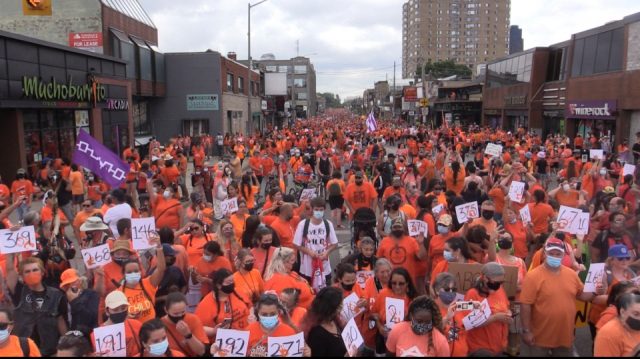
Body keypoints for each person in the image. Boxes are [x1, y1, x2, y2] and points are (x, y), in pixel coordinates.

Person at [520, 238, 605, 357]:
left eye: (558, 254)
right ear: (544, 253)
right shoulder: (532, 276)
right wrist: (526, 331)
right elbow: (525, 305)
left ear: (563, 255)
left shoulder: (571, 274)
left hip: (564, 336)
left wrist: (595, 292)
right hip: (539, 337)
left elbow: (582, 295)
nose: (554, 256)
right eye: (551, 253)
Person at [6, 256, 67, 356]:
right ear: (22, 276)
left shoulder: (56, 295)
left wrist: (66, 347)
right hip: (24, 351)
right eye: (27, 271)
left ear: (42, 272)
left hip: (50, 351)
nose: (31, 273)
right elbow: (9, 269)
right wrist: (10, 246)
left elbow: (61, 322)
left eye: (35, 270)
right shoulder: (18, 292)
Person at [239, 293, 309, 357]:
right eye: (264, 314)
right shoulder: (248, 331)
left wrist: (306, 354)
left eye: (272, 314)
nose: (268, 317)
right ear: (258, 313)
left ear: (278, 312)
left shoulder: (289, 333)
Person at [464, 262, 511, 356]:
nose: (499, 285)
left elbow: (506, 306)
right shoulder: (472, 294)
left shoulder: (500, 290)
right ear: (485, 278)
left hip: (498, 347)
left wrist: (508, 313)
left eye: (501, 282)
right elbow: (468, 323)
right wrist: (495, 318)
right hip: (480, 348)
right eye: (496, 282)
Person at [293, 197, 338, 289]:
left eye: (321, 210)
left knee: (325, 293)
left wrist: (326, 252)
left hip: (324, 268)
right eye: (316, 209)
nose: (318, 212)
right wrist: (309, 251)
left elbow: (334, 244)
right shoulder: (303, 224)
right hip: (307, 269)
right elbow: (296, 244)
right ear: (312, 209)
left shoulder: (327, 224)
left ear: (324, 210)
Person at [119, 234, 165, 324]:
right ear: (123, 274)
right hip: (135, 331)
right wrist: (125, 316)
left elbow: (161, 269)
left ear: (140, 271)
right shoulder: (118, 293)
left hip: (152, 328)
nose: (133, 274)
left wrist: (159, 247)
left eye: (136, 271)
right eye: (129, 272)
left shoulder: (148, 283)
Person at [385, 295, 450, 357]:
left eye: (427, 322)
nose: (423, 325)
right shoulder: (397, 330)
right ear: (411, 316)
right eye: (419, 321)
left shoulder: (440, 341)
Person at [194, 268, 251, 338]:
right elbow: (197, 328)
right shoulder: (206, 304)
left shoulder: (238, 293)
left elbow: (250, 307)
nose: (232, 284)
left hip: (245, 337)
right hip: (223, 343)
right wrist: (213, 331)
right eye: (228, 282)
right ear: (218, 285)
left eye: (232, 281)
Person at [376, 217, 426, 287]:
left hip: (408, 281)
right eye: (395, 227)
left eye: (399, 227)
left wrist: (421, 244)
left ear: (404, 228)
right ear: (391, 228)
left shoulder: (412, 241)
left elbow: (422, 257)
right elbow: (378, 261)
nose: (397, 229)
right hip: (390, 281)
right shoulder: (384, 241)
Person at [370, 267, 417, 340]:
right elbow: (373, 314)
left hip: (404, 338)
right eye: (394, 283)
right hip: (385, 336)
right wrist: (380, 327)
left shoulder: (413, 299)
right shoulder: (383, 293)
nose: (397, 287)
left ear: (407, 283)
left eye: (401, 284)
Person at [303, 287, 348, 357]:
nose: (342, 308)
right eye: (339, 306)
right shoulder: (317, 335)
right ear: (329, 309)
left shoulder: (336, 321)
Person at [431, 273, 469, 357]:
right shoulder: (430, 309)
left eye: (454, 289)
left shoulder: (459, 306)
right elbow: (429, 333)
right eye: (447, 289)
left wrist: (477, 305)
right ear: (437, 290)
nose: (451, 292)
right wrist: (446, 318)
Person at [161, 292, 208, 357]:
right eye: (175, 313)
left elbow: (201, 351)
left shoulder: (193, 319)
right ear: (166, 310)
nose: (180, 316)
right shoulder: (160, 325)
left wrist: (188, 335)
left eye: (183, 312)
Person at [100, 290, 143, 357]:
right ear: (107, 311)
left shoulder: (137, 325)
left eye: (123, 308)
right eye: (115, 309)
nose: (120, 312)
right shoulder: (99, 334)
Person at [59, 268, 99, 333]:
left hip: (88, 334)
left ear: (80, 281)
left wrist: (74, 301)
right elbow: (61, 319)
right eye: (67, 284)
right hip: (72, 336)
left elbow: (92, 317)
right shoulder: (63, 299)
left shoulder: (91, 294)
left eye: (73, 282)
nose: (71, 286)